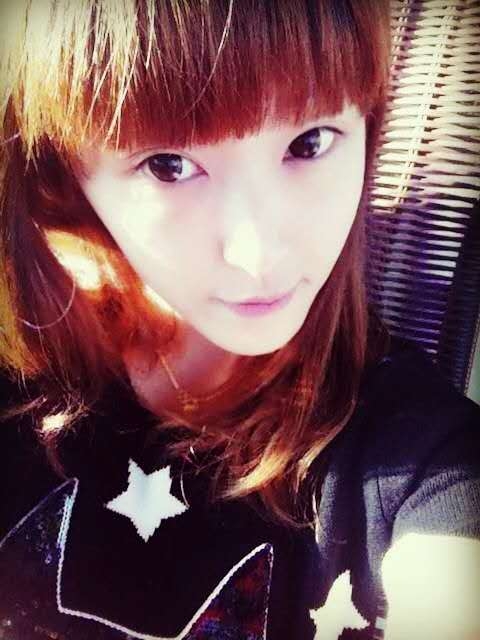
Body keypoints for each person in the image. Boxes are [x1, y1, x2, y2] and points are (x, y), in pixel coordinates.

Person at [0, 1, 479, 638]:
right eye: (169, 165)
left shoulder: (419, 461)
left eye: (310, 143)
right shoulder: (20, 373)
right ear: (61, 177)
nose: (259, 257)